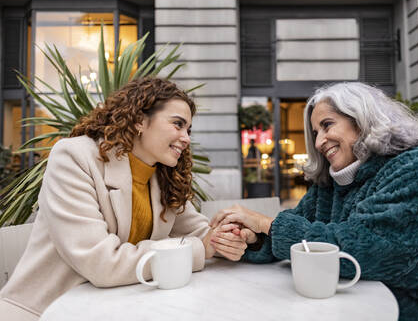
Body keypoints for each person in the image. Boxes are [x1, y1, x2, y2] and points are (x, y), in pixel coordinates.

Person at [211, 82, 418, 321]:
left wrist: (265, 222)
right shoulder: (331, 182)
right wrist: (251, 238)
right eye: (315, 132)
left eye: (327, 125)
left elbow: (368, 251)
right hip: (364, 296)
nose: (318, 142)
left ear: (362, 120)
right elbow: (300, 235)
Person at [0, 77, 247, 320]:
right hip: (49, 310)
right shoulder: (74, 157)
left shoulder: (162, 174)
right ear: (140, 120)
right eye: (177, 124)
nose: (186, 138)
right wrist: (199, 249)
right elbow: (101, 263)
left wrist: (230, 237)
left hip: (123, 307)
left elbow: (202, 234)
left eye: (188, 129)